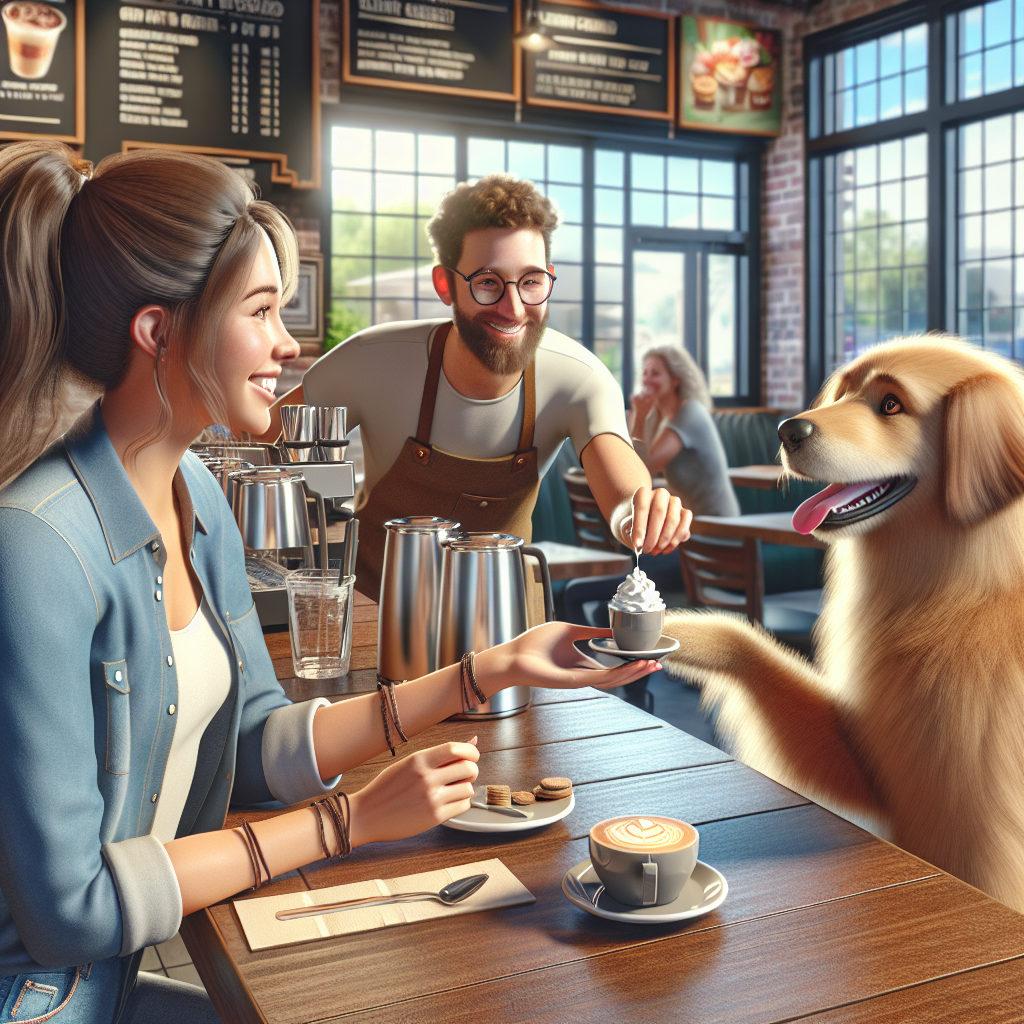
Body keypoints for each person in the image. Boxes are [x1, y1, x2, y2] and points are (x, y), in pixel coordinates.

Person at [0, 142, 659, 1024]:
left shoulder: (196, 493)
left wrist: (486, 670)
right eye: (262, 311)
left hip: (108, 988)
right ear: (158, 331)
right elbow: (69, 911)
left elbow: (256, 743)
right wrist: (343, 825)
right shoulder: (36, 546)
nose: (287, 343)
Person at [263, 175, 692, 600]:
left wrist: (639, 515)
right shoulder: (371, 360)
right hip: (375, 620)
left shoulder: (580, 378)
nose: (514, 308)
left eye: (531, 281)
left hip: (504, 627)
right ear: (445, 284)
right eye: (488, 282)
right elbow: (262, 436)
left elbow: (620, 487)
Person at [626, 346, 739, 518]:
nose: (647, 379)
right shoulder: (663, 418)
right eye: (645, 373)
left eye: (655, 373)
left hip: (716, 527)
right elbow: (634, 468)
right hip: (691, 525)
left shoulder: (689, 414)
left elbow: (643, 470)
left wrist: (638, 418)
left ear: (675, 380)